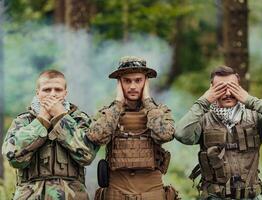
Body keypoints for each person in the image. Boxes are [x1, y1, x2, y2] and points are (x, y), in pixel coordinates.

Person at [175, 66, 262, 200]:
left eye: (232, 88)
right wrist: (203, 101)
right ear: (211, 90)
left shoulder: (255, 119)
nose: (227, 93)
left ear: (240, 88)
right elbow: (181, 134)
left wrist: (251, 100)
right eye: (220, 88)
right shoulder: (203, 120)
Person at [87, 56, 179, 200]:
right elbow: (96, 137)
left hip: (151, 192)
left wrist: (148, 101)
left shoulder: (159, 111)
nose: (132, 86)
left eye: (138, 80)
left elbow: (165, 135)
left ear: (146, 82)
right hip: (116, 192)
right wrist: (117, 103)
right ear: (119, 83)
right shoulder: (109, 113)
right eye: (127, 81)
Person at [2, 69, 99, 200]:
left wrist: (61, 118)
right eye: (47, 90)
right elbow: (12, 157)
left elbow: (87, 155)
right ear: (38, 93)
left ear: (65, 93)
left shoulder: (79, 120)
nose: (52, 94)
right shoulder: (23, 121)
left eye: (58, 90)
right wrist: (41, 121)